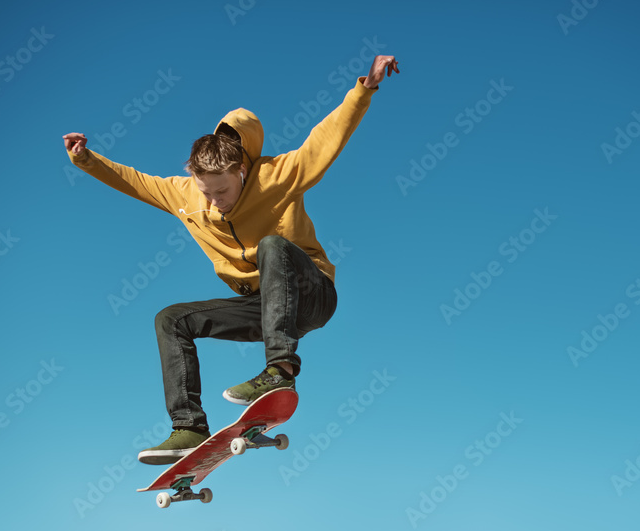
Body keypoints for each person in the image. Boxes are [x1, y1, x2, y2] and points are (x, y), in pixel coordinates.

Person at [62, 55, 399, 465]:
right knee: (171, 318)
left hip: (311, 294)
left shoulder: (277, 176)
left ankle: (279, 372)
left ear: (241, 171)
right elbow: (135, 181)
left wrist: (364, 89)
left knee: (274, 245)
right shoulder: (187, 195)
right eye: (206, 191)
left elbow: (325, 141)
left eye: (221, 191)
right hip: (262, 306)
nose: (213, 201)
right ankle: (188, 427)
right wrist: (86, 159)